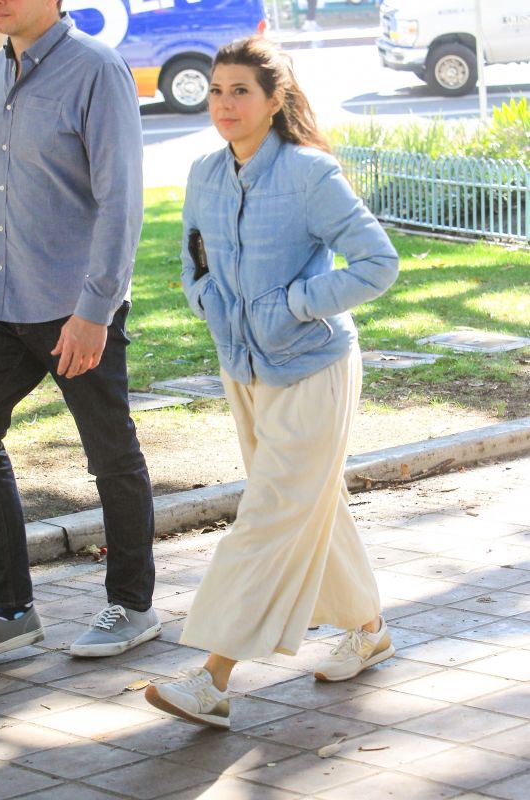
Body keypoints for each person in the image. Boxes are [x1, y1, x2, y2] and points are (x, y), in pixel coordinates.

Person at [145, 36, 398, 729]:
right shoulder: (203, 172)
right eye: (216, 91)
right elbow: (192, 256)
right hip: (244, 371)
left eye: (240, 92)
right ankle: (368, 629)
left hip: (313, 367)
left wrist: (289, 306)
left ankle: (211, 676)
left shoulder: (309, 174)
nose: (224, 104)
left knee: (267, 517)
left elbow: (378, 264)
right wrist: (207, 301)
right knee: (305, 505)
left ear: (274, 100)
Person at [0, 0, 160, 659]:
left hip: (75, 308)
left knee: (110, 455)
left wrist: (96, 310)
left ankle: (132, 605)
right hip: (5, 303)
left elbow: (122, 198)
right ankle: (12, 610)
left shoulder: (95, 69)